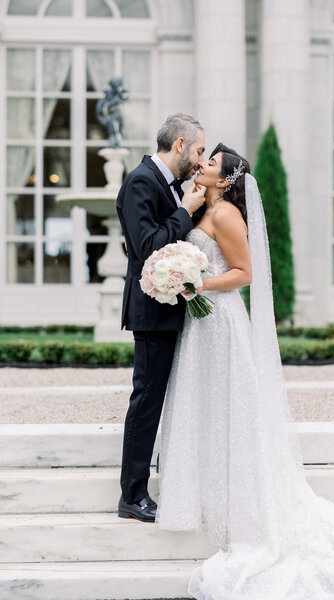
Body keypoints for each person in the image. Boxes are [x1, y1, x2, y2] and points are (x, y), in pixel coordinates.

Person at [156, 143, 334, 599]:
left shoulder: (227, 214)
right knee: (202, 400)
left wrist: (197, 282)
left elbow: (244, 273)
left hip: (221, 319)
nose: (202, 165)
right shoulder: (200, 207)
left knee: (227, 402)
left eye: (211, 162)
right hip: (200, 321)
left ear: (226, 179)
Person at [116, 114, 206, 521]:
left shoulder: (164, 184)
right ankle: (132, 496)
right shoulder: (141, 181)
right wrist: (185, 211)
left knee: (156, 400)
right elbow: (147, 244)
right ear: (182, 144)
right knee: (147, 401)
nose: (201, 159)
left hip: (166, 309)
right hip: (152, 313)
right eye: (200, 150)